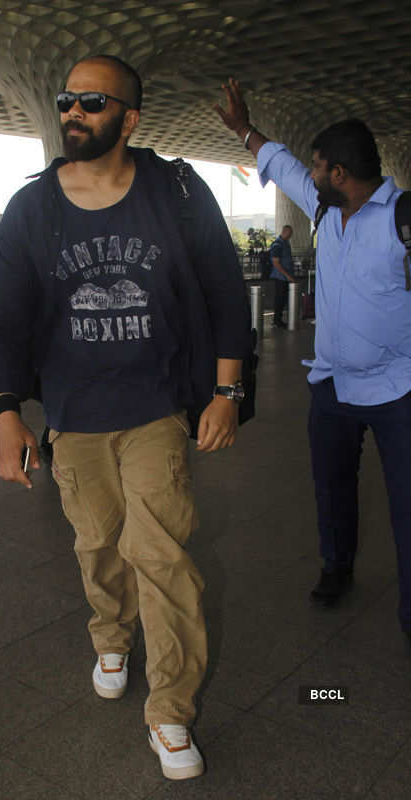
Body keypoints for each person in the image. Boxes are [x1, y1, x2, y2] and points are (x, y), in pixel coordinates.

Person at [0, 55, 250, 780]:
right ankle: (111, 633)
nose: (73, 111)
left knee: (161, 554)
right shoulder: (33, 209)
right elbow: (2, 320)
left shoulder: (178, 192)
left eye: (92, 102)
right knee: (98, 542)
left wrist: (228, 393)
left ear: (129, 118)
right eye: (67, 99)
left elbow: (227, 291)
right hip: (72, 414)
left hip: (156, 408)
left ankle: (169, 713)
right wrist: (7, 413)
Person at [216, 78, 411, 643]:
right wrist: (243, 130)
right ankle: (336, 568)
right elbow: (281, 163)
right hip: (332, 389)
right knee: (332, 489)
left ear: (342, 174)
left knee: (407, 504)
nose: (312, 174)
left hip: (399, 390)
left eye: (320, 167)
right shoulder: (327, 211)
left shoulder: (403, 220)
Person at [269, 224, 295, 328]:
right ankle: (276, 321)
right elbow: (276, 263)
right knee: (279, 299)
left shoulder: (285, 243)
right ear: (285, 232)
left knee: (282, 299)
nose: (291, 235)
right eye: (290, 233)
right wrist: (287, 276)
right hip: (280, 277)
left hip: (285, 276)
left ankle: (278, 320)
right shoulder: (278, 244)